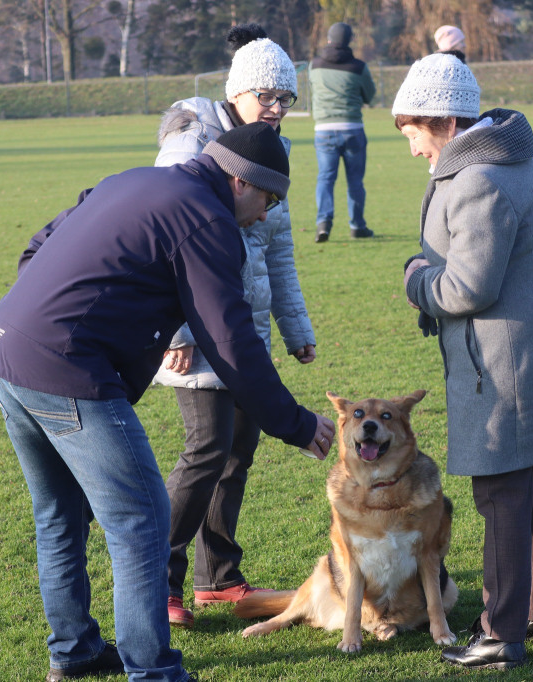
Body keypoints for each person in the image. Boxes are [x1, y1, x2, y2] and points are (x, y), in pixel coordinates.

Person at [0, 122, 336, 682]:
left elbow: (37, 249)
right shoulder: (208, 221)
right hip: (66, 370)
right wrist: (294, 423)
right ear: (241, 183)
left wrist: (50, 325)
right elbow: (231, 344)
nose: (265, 215)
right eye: (268, 199)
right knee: (143, 521)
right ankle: (152, 671)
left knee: (59, 515)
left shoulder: (132, 180)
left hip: (6, 351)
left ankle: (74, 653)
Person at [392, 53, 533, 670]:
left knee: (503, 494)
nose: (412, 149)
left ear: (444, 121)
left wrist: (415, 279)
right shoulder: (513, 159)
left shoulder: (479, 178)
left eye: (413, 132)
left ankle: (501, 634)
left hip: (504, 360)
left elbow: (466, 290)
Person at [151, 24, 316, 629]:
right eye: (265, 96)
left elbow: (279, 247)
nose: (275, 109)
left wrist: (294, 326)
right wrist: (177, 335)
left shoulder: (277, 147)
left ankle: (217, 578)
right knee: (206, 450)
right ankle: (157, 582)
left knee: (237, 452)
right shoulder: (193, 140)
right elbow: (162, 235)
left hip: (244, 329)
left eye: (285, 99)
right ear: (237, 92)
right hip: (195, 331)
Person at [308, 21, 377, 242]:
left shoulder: (315, 65)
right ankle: (357, 225)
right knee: (355, 180)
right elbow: (369, 96)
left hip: (324, 130)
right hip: (352, 129)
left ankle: (323, 224)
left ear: (328, 39)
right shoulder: (359, 67)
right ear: (350, 41)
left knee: (325, 178)